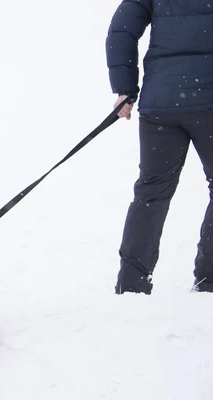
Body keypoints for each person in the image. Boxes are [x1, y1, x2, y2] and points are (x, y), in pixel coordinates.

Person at [106, 0, 213, 294]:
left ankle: (131, 285)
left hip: (162, 105)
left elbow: (121, 31)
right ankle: (210, 281)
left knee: (151, 193)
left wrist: (125, 88)